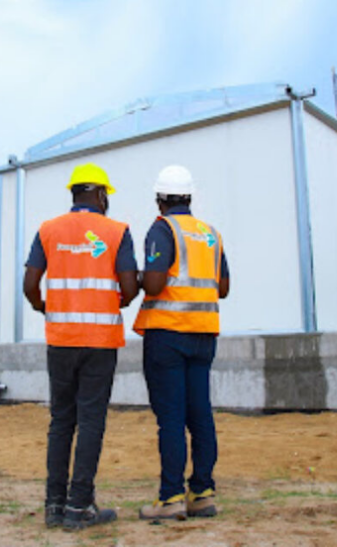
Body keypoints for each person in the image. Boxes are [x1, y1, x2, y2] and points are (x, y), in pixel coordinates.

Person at [23, 162, 139, 531]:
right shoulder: (117, 231)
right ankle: (79, 507)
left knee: (61, 420)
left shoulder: (48, 230)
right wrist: (116, 301)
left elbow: (29, 284)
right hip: (100, 343)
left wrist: (43, 307)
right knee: (91, 421)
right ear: (101, 193)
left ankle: (54, 506)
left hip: (61, 340)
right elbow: (130, 287)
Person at [134, 164, 230, 521]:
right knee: (200, 414)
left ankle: (171, 497)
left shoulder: (163, 229)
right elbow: (223, 287)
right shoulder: (210, 233)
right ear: (189, 197)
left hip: (168, 334)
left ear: (159, 200)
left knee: (171, 418)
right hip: (203, 335)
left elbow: (155, 283)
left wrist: (136, 277)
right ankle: (202, 493)